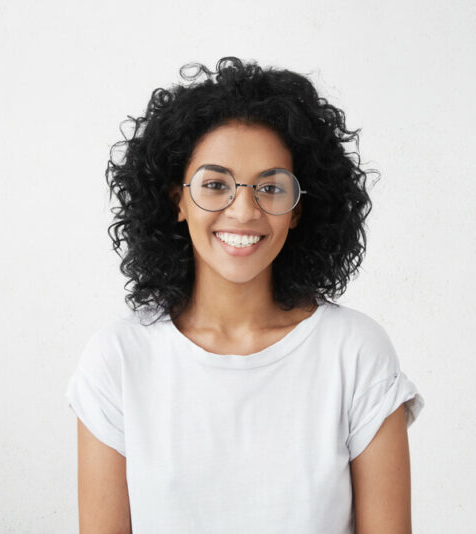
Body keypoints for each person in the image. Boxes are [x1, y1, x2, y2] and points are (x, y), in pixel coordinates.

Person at [65, 56, 424, 534]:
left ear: (297, 211)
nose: (244, 210)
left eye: (270, 188)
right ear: (177, 200)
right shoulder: (118, 361)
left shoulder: (356, 353)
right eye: (216, 184)